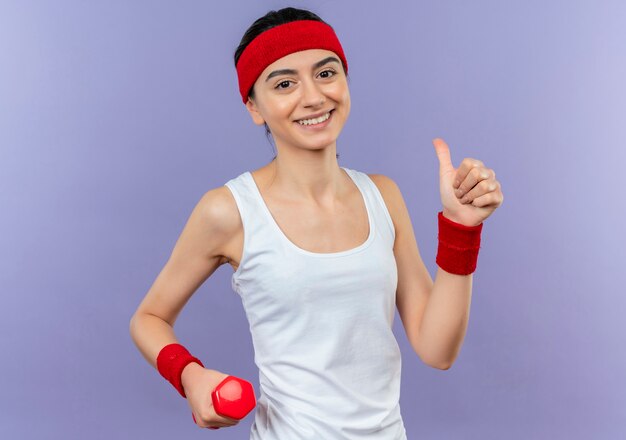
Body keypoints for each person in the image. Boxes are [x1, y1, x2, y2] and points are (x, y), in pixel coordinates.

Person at [129, 6, 504, 439]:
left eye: (326, 73)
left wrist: (462, 227)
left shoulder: (383, 196)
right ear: (254, 106)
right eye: (284, 83)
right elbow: (149, 317)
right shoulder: (230, 210)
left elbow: (437, 349)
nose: (313, 97)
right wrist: (190, 377)